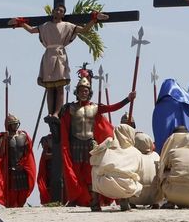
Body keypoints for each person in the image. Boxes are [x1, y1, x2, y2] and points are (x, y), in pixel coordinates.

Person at [9, 5, 109, 119]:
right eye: (56, 10)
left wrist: (94, 19)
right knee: (50, 87)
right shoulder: (45, 26)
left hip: (60, 55)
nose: (58, 12)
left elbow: (84, 30)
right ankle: (50, 112)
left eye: (61, 11)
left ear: (63, 14)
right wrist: (20, 23)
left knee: (60, 86)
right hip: (48, 56)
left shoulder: (67, 25)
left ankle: (57, 112)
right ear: (53, 12)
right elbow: (32, 30)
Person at [60, 72, 136, 210]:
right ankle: (73, 198)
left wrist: (127, 99)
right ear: (76, 93)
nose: (83, 93)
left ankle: (94, 201)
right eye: (81, 91)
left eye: (86, 91)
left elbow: (112, 107)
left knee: (92, 174)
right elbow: (63, 125)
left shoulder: (95, 107)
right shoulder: (69, 108)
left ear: (89, 93)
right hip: (75, 144)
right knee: (74, 173)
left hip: (90, 143)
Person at [90, 124, 144, 211]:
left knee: (94, 169)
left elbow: (93, 158)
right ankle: (125, 200)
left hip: (105, 185)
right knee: (136, 176)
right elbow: (139, 171)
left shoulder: (108, 145)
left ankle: (95, 202)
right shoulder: (137, 152)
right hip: (127, 188)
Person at [152, 78, 189, 153]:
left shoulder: (158, 107)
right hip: (185, 145)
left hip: (165, 149)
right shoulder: (183, 104)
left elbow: (157, 128)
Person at [130, 132, 161, 208]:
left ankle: (130, 203)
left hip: (135, 198)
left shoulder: (131, 156)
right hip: (155, 198)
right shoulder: (156, 155)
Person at [36, 134, 53, 204]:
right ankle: (49, 201)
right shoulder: (46, 139)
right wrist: (57, 154)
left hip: (60, 166)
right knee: (48, 184)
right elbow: (45, 156)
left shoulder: (63, 137)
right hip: (49, 167)